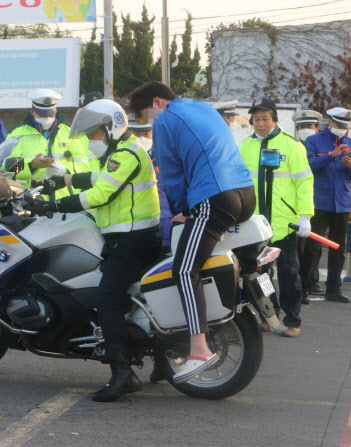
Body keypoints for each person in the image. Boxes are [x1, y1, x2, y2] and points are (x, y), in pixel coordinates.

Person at [128, 81, 256, 382]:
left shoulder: (167, 119)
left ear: (158, 102)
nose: (150, 122)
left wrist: (181, 209)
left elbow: (171, 174)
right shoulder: (204, 108)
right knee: (201, 256)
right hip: (245, 194)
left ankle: (198, 349)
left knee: (185, 270)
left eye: (148, 114)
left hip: (216, 197)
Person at [36, 99, 162, 402]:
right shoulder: (120, 153)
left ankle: (122, 372)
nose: (92, 141)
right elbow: (97, 178)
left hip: (134, 241)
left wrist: (53, 205)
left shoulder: (127, 154)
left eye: (94, 134)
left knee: (108, 297)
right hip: (128, 239)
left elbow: (101, 193)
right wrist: (60, 179)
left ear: (111, 128)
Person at [238, 97, 314, 338]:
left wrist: (305, 216)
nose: (260, 124)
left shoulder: (292, 145)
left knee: (290, 275)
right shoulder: (245, 146)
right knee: (261, 276)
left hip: (285, 225)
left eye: (265, 119)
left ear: (274, 119)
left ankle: (293, 320)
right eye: (257, 119)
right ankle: (270, 314)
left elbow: (304, 183)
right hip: (256, 226)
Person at [303, 107, 351, 304]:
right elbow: (308, 166)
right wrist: (331, 154)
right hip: (320, 201)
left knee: (338, 247)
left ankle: (333, 289)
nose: (342, 129)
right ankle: (304, 288)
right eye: (339, 125)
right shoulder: (313, 141)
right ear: (329, 122)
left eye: (345, 126)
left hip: (343, 203)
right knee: (312, 246)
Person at [6, 88, 90, 199]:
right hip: (28, 199)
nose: (47, 118)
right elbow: (6, 168)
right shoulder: (17, 134)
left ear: (56, 110)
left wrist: (65, 170)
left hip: (64, 200)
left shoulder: (69, 133)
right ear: (32, 111)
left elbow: (84, 165)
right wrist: (32, 165)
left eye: (50, 115)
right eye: (42, 115)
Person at [128, 116, 175, 250]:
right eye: (137, 134)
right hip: (137, 224)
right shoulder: (127, 157)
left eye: (146, 134)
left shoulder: (164, 154)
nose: (142, 138)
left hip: (164, 221)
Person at [292, 109, 323, 304]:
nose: (305, 130)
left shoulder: (323, 146)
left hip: (318, 202)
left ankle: (312, 280)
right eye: (301, 127)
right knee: (298, 248)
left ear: (317, 128)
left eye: (309, 126)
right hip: (297, 206)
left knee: (314, 247)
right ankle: (301, 286)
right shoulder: (292, 147)